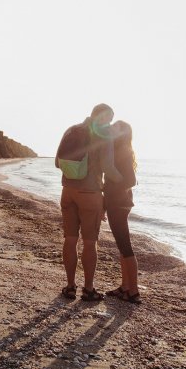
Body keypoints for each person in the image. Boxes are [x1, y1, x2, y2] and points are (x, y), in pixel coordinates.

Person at [56, 103, 122, 301]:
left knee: (70, 239)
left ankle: (69, 287)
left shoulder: (71, 130)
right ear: (102, 116)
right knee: (90, 242)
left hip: (67, 191)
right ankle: (89, 288)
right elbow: (108, 167)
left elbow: (57, 162)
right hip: (90, 193)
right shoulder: (104, 135)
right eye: (109, 119)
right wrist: (124, 182)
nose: (109, 123)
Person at [104, 121, 141, 304]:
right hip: (117, 202)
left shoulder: (122, 150)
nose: (112, 126)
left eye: (116, 126)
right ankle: (125, 286)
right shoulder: (118, 148)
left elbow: (131, 180)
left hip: (119, 204)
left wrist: (110, 189)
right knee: (121, 245)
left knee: (125, 246)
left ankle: (133, 291)